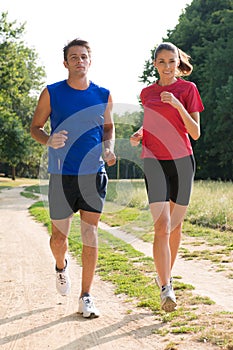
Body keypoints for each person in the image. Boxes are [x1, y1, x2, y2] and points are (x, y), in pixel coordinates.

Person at [30, 38, 116, 318]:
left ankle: (86, 296)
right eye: (74, 57)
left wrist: (109, 148)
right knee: (58, 238)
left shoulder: (103, 94)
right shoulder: (52, 93)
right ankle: (60, 266)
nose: (80, 61)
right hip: (61, 175)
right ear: (65, 63)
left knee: (90, 233)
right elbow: (35, 128)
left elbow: (108, 128)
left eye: (84, 56)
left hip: (93, 173)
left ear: (90, 61)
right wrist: (49, 139)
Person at [130, 42, 204, 312]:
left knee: (174, 227)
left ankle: (165, 275)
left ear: (177, 62)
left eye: (171, 61)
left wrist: (177, 104)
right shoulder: (146, 92)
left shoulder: (188, 89)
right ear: (155, 65)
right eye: (161, 62)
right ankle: (166, 287)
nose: (167, 67)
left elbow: (194, 132)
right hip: (154, 161)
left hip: (182, 161)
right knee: (161, 226)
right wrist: (141, 132)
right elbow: (153, 120)